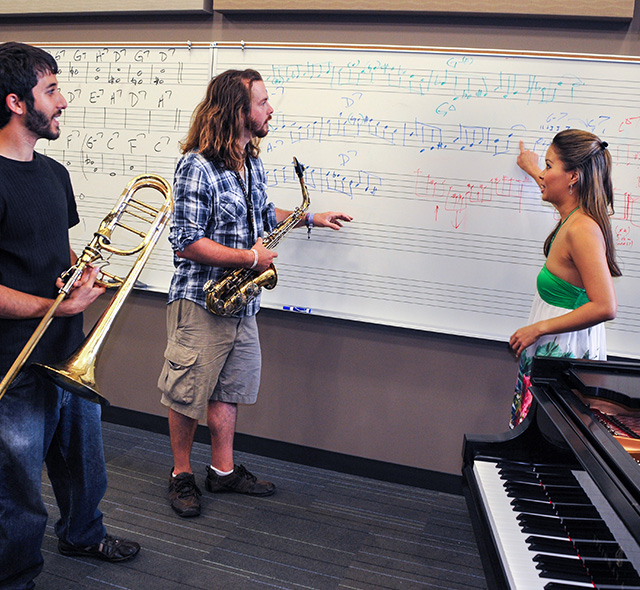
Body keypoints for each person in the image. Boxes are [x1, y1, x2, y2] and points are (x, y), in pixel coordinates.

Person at [158, 68, 352, 517]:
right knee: (187, 392)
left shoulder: (252, 162)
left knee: (229, 389)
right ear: (237, 110)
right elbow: (186, 240)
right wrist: (249, 259)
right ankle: (181, 475)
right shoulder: (196, 164)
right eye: (263, 102)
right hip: (201, 300)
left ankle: (222, 472)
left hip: (242, 301)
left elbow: (262, 212)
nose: (270, 109)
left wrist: (310, 217)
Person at [0, 42, 140, 589]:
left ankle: (83, 533)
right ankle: (17, 576)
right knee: (17, 486)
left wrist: (77, 280)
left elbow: (49, 254)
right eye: (51, 90)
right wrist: (49, 306)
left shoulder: (54, 174)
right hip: (15, 361)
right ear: (16, 102)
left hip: (68, 351)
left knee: (85, 466)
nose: (64, 101)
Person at [508, 129, 620, 428]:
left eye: (549, 165)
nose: (543, 174)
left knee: (550, 440)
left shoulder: (582, 229)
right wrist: (532, 169)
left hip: (561, 352)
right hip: (553, 347)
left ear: (573, 177)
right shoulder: (572, 214)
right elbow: (559, 196)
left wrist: (537, 329)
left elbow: (605, 306)